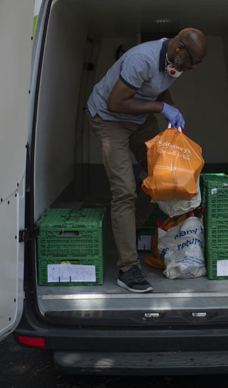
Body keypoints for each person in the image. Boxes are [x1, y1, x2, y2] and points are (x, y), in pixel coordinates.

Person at [86, 28, 207, 293]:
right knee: (124, 192)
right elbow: (116, 103)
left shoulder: (173, 61)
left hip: (139, 120)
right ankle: (127, 269)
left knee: (167, 177)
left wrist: (171, 114)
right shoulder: (142, 59)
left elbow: (159, 89)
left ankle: (129, 227)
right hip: (109, 120)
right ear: (179, 50)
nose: (191, 69)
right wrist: (161, 109)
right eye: (191, 63)